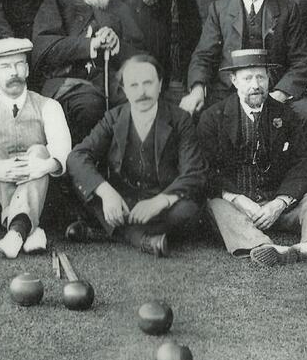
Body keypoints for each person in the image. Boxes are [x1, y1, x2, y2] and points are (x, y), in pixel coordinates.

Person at [198, 49, 307, 266]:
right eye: (248, 78)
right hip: (239, 208)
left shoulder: (286, 115)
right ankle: (262, 246)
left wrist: (279, 203)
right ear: (234, 80)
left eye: (261, 77)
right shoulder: (213, 117)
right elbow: (206, 168)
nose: (255, 85)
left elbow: (303, 162)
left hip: (278, 207)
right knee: (215, 205)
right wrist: (238, 200)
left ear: (268, 79)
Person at [64, 54, 206, 257]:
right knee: (86, 188)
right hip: (124, 201)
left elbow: (194, 172)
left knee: (187, 210)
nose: (142, 92)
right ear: (124, 90)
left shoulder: (180, 119)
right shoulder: (114, 117)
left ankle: (112, 231)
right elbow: (77, 156)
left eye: (148, 83)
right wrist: (106, 193)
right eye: (134, 85)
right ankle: (142, 238)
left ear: (160, 84)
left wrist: (161, 201)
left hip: (164, 202)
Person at [0, 38, 72, 258]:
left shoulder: (49, 106)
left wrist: (43, 166)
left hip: (42, 196)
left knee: (39, 151)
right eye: (5, 67)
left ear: (26, 70)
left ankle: (17, 230)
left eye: (19, 65)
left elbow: (63, 151)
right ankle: (30, 229)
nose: (13, 72)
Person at [182, 0, 307, 124]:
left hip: (274, 90)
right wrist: (197, 88)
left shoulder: (287, 10)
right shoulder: (219, 9)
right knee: (201, 117)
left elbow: (301, 62)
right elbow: (203, 56)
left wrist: (280, 95)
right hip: (230, 92)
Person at [31, 0, 147, 144]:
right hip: (67, 85)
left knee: (138, 103)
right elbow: (45, 49)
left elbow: (142, 59)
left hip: (112, 84)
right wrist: (90, 45)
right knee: (90, 104)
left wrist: (117, 45)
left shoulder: (119, 8)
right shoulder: (56, 3)